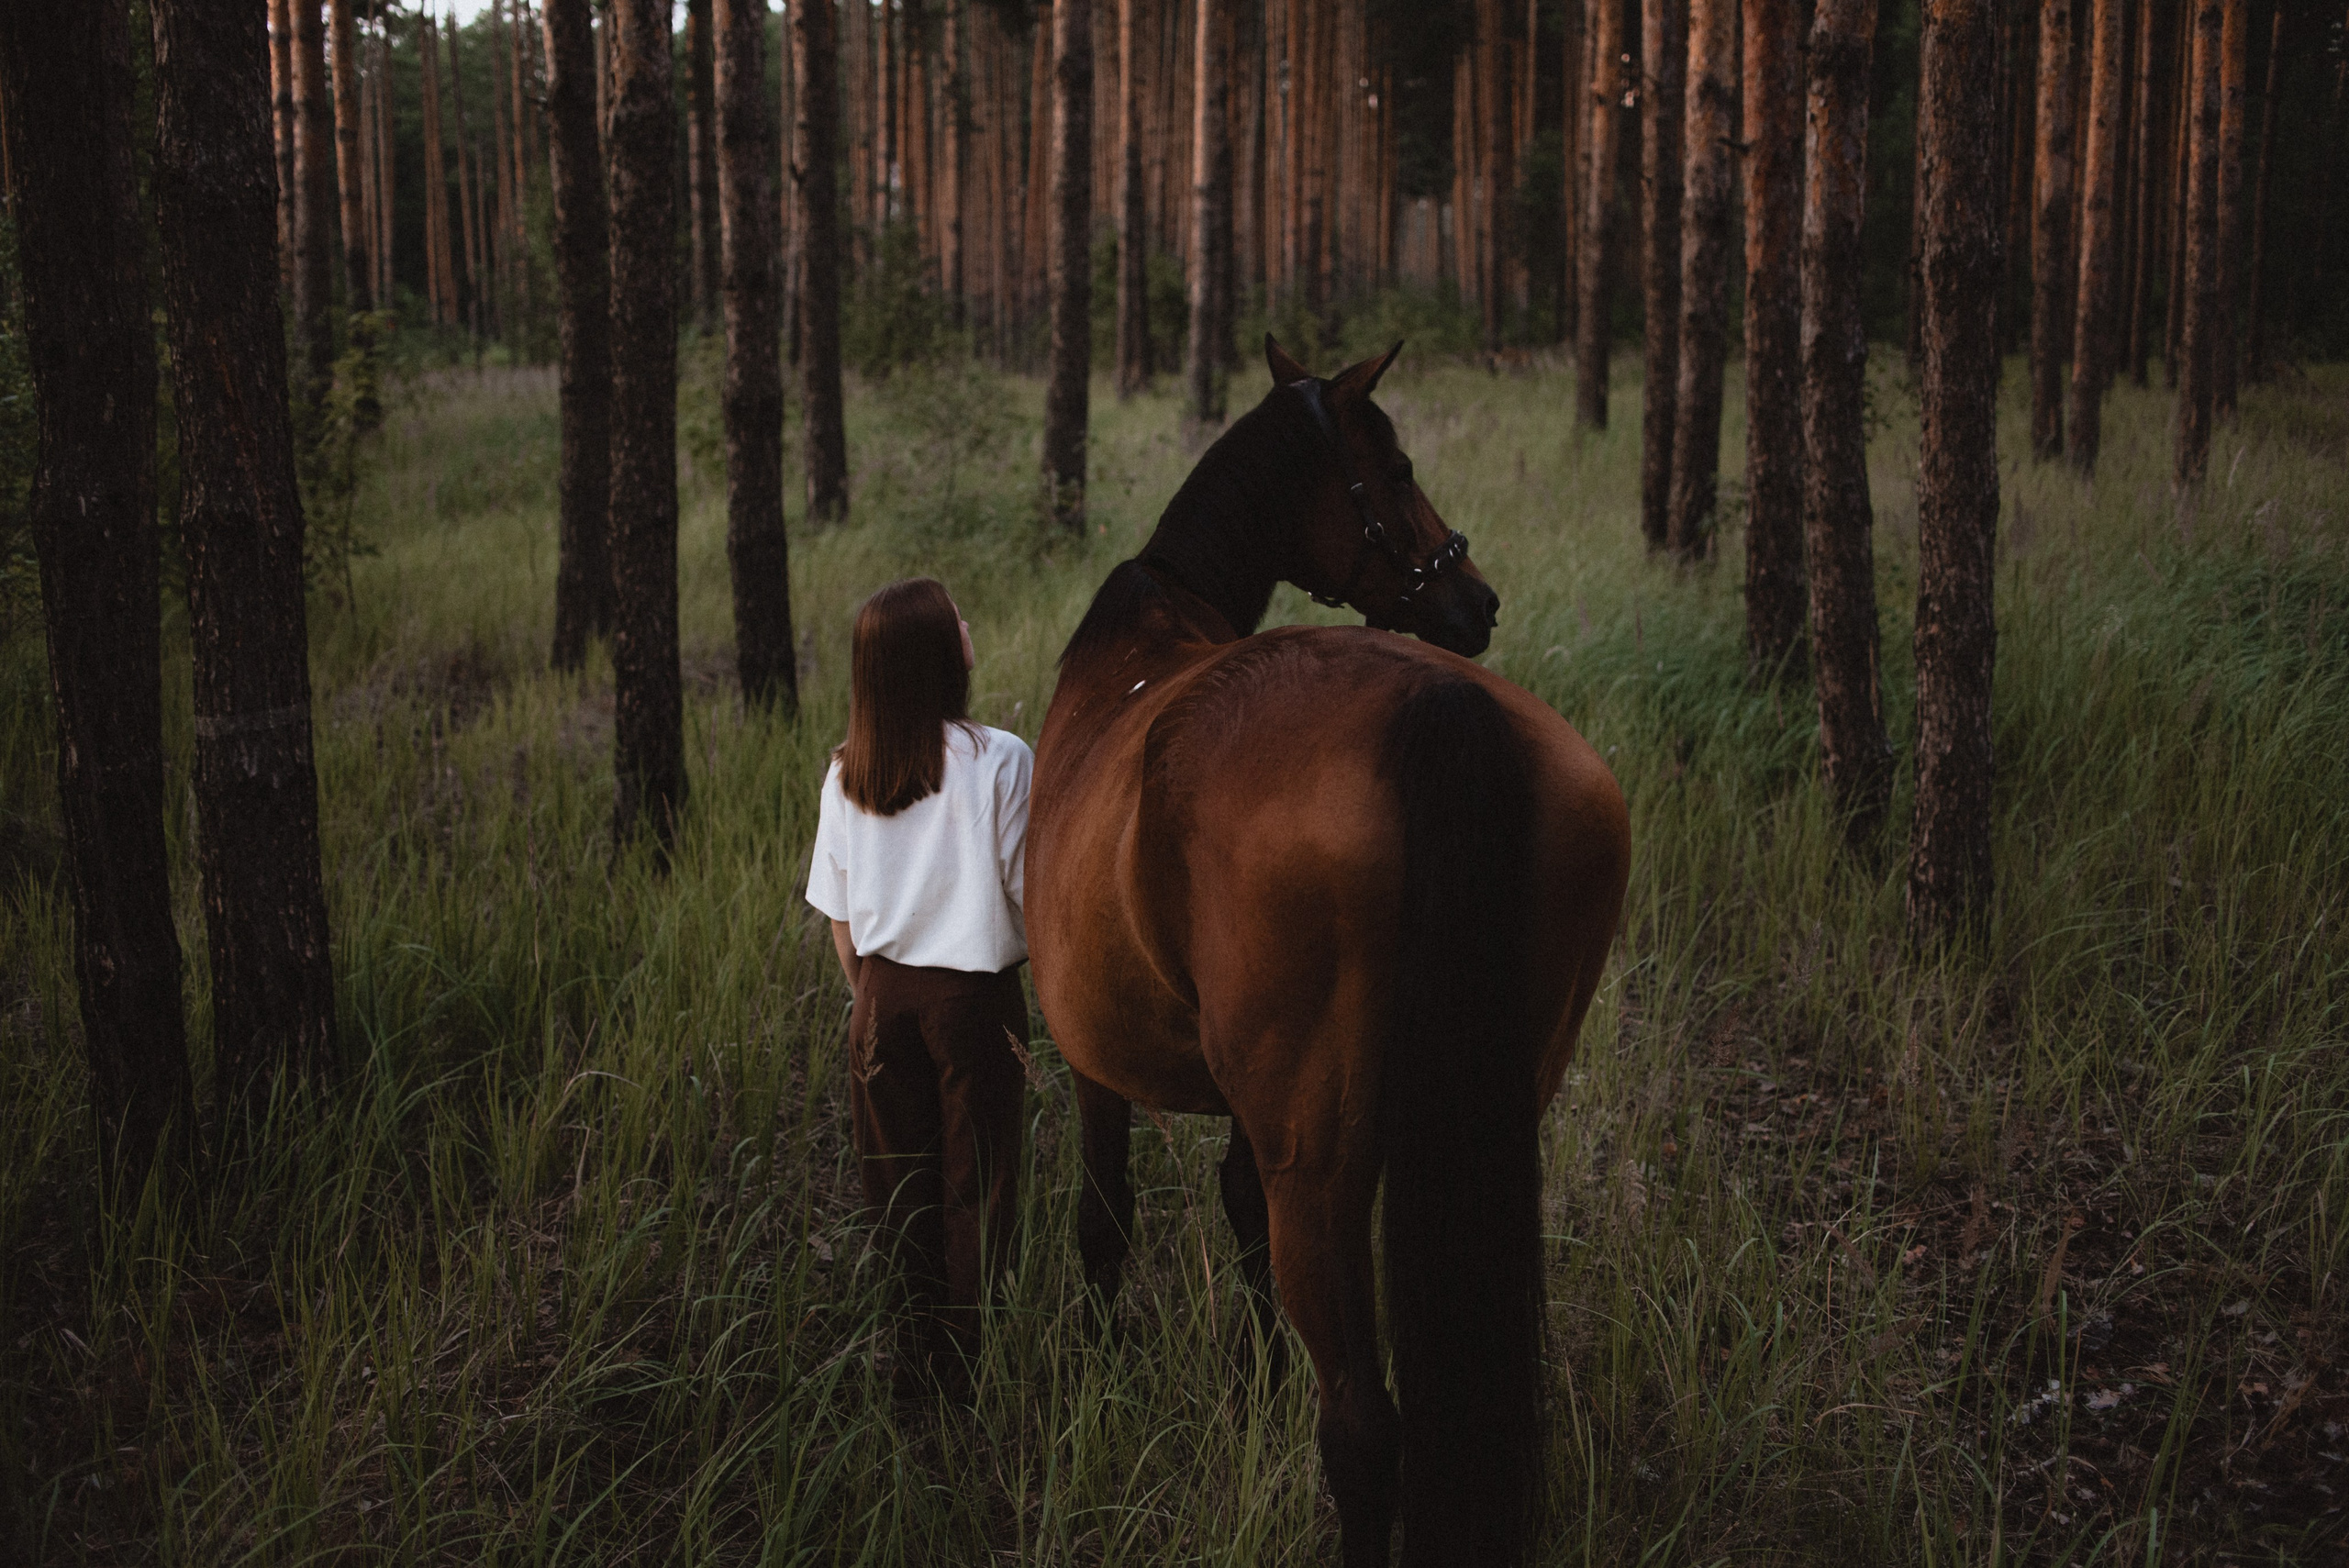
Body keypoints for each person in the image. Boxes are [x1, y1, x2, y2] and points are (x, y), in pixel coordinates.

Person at [806, 577, 1032, 1396]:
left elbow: (839, 918)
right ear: (935, 654)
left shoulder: (848, 771)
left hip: (879, 998)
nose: (967, 623)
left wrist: (869, 997)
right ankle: (970, 1366)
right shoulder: (999, 759)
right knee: (979, 1181)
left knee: (895, 1181)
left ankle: (914, 1358)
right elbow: (1025, 892)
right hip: (973, 1001)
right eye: (954, 618)